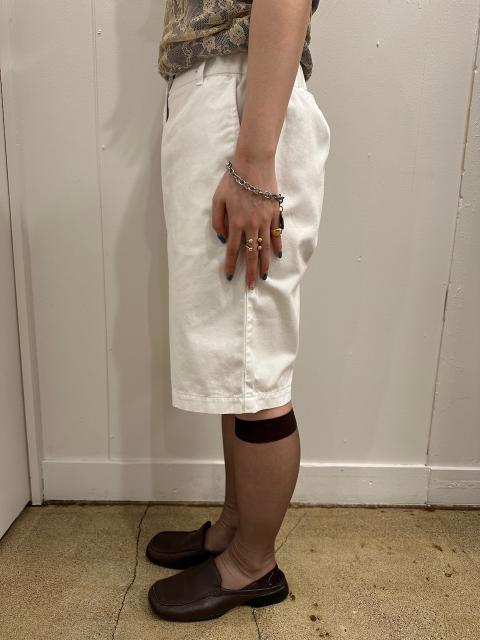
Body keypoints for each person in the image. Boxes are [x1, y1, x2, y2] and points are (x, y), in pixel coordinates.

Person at [146, 0, 330, 622]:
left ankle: (254, 564)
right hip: (224, 99)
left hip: (244, 103)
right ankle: (235, 526)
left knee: (255, 362)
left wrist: (253, 159)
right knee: (235, 357)